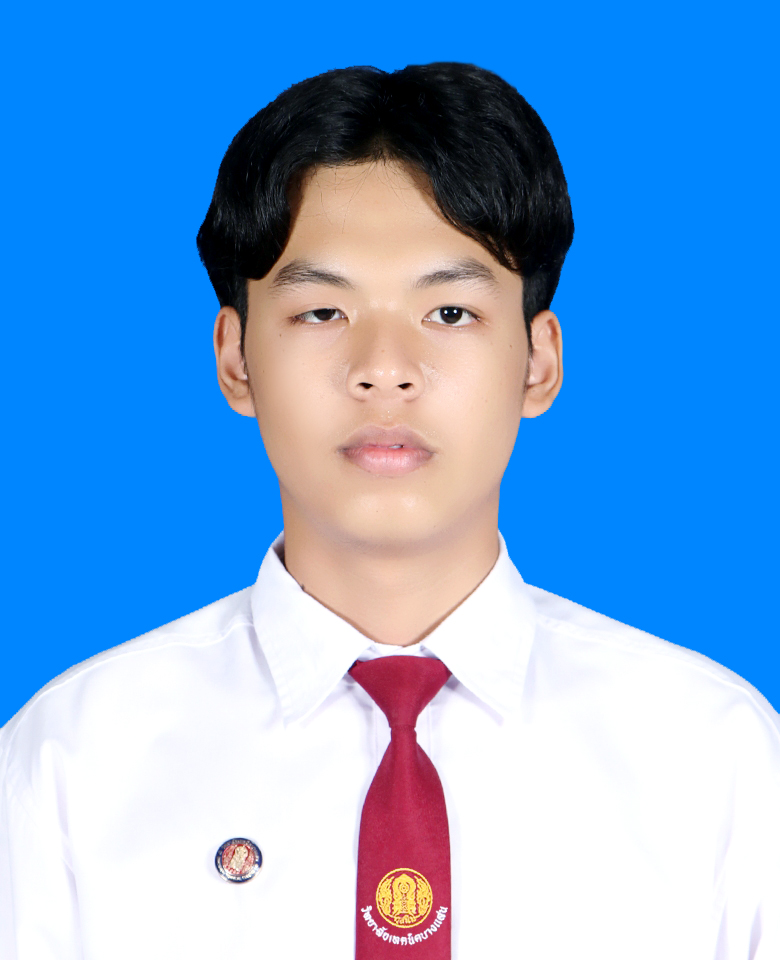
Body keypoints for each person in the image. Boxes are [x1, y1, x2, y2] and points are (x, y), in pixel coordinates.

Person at [1, 63, 778, 960]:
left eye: (448, 311)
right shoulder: (70, 761)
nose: (383, 369)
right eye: (322, 312)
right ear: (235, 360)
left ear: (538, 362)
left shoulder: (716, 758)